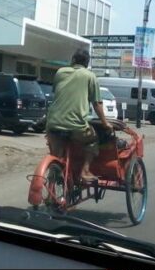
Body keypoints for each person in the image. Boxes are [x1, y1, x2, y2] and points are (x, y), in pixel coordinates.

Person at [45, 49, 113, 182]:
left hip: (53, 124)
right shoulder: (90, 76)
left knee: (57, 156)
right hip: (76, 126)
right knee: (93, 140)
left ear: (73, 60)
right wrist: (105, 123)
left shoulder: (60, 72)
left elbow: (57, 93)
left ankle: (52, 182)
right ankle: (85, 171)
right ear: (87, 64)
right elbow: (97, 104)